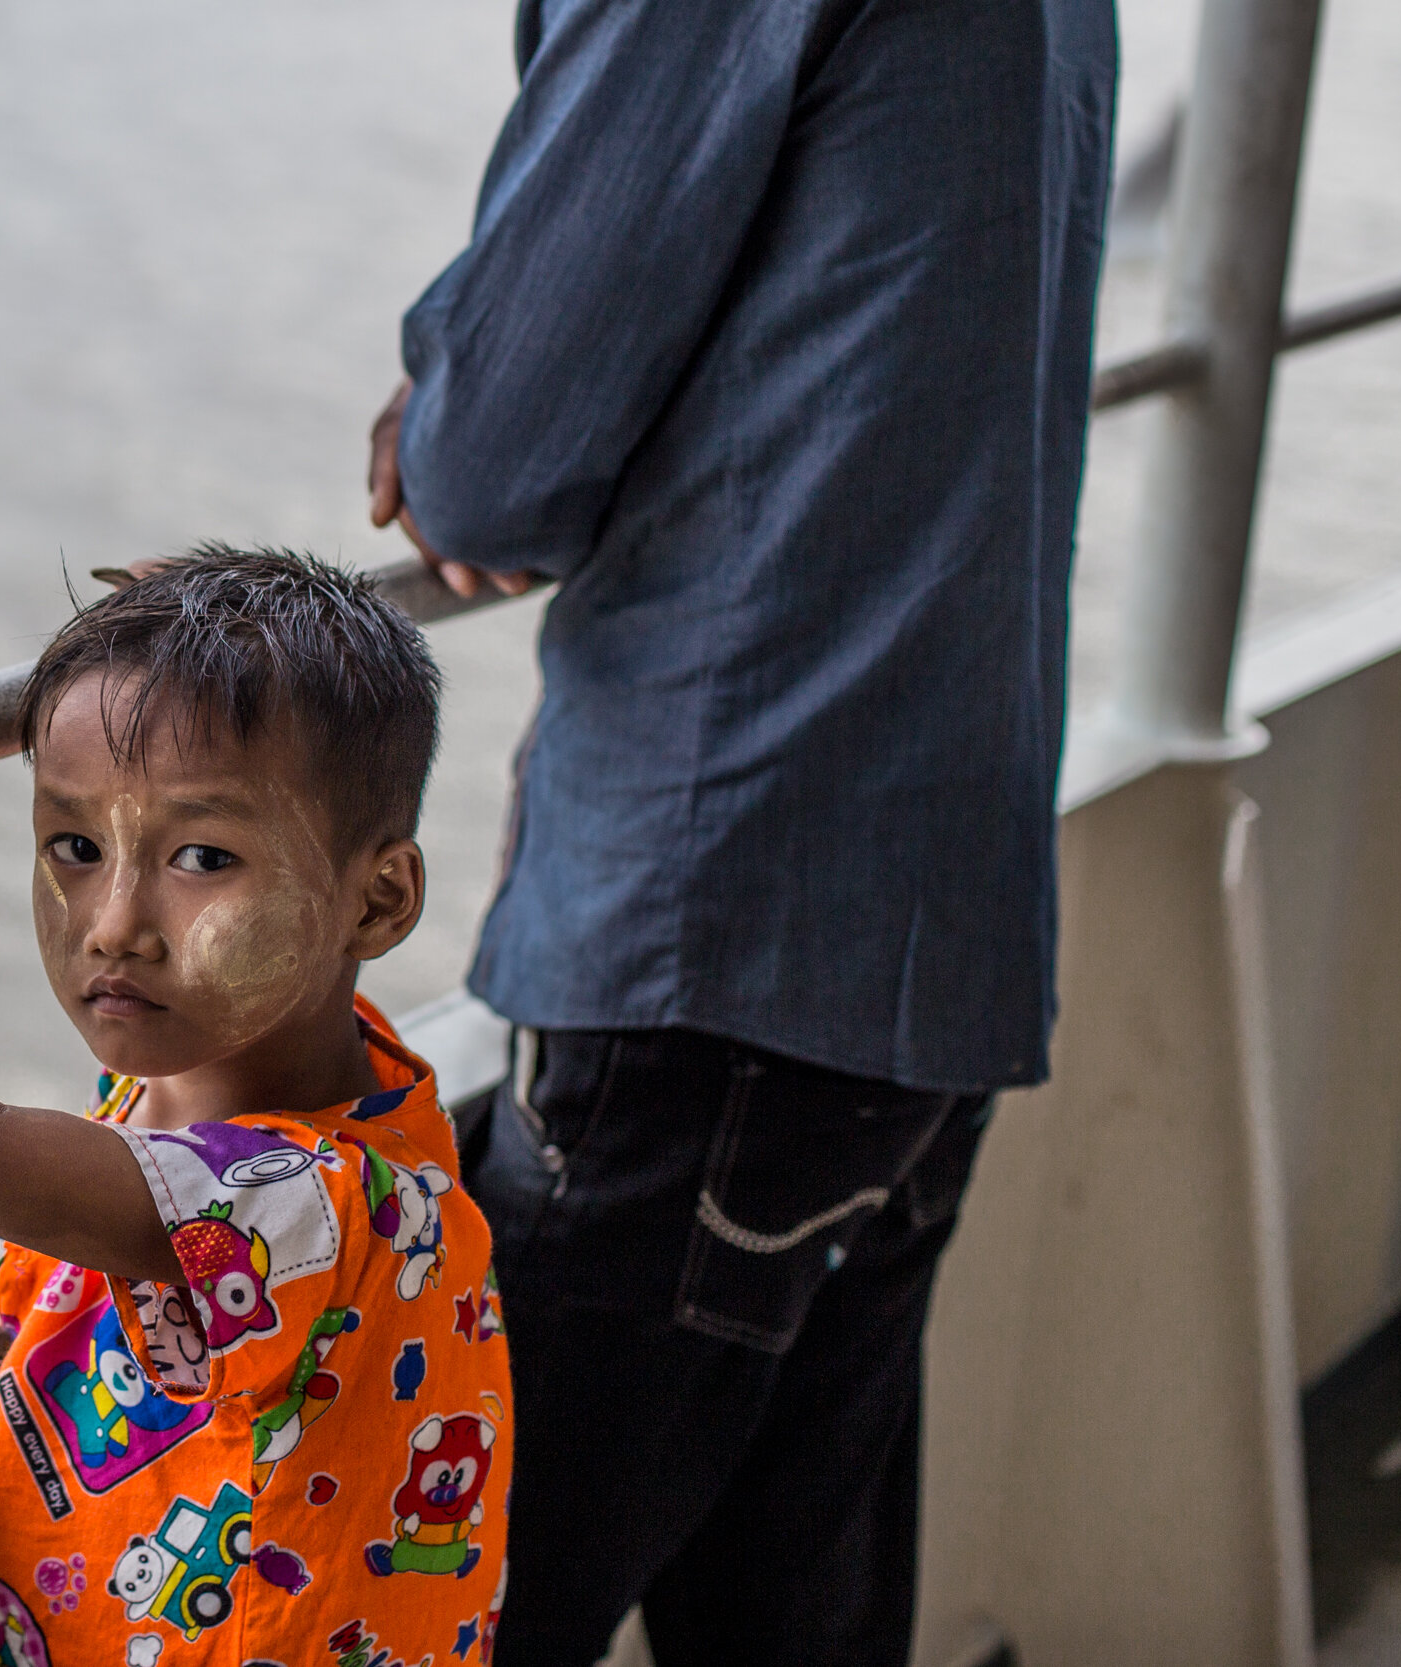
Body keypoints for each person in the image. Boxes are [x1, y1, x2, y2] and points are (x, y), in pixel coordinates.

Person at [362, 0, 1117, 1661]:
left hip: (722, 927)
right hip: (928, 923)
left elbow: (492, 458)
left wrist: (438, 398)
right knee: (792, 1615)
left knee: (465, 1617)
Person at [0, 547, 517, 1667]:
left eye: (202, 856)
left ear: (380, 900)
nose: (114, 920)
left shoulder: (302, 1207)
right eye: (74, 845)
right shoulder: (297, 1070)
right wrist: (188, 625)